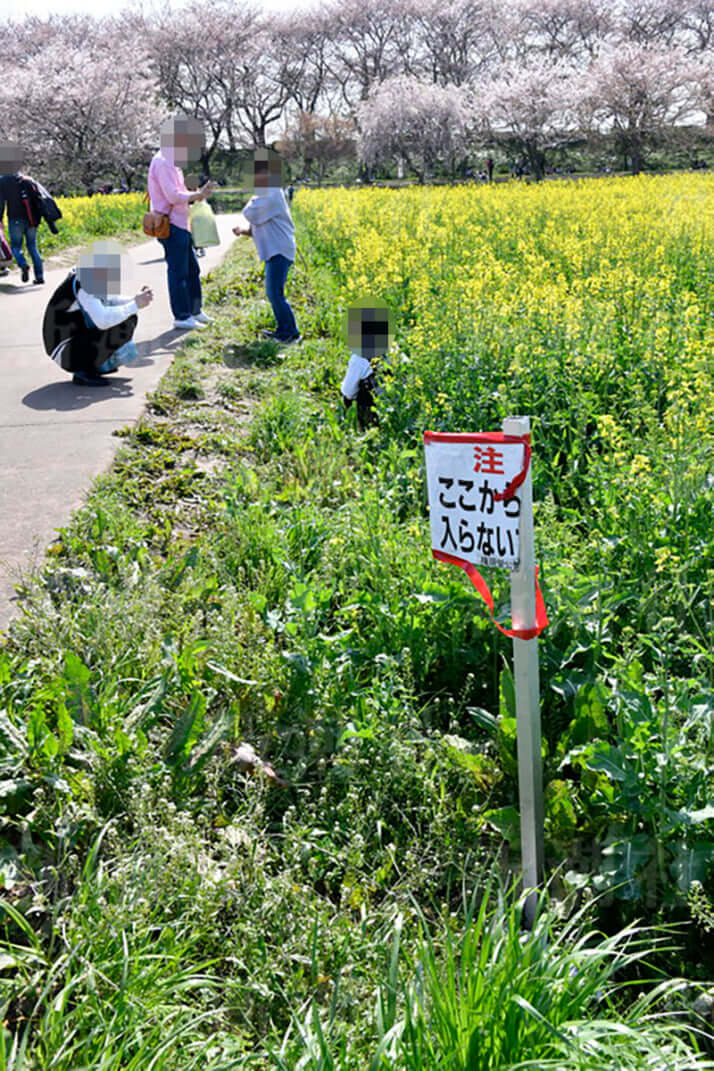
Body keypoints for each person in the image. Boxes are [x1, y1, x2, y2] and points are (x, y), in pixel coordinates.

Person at [42, 240, 153, 387]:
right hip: (66, 353)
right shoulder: (86, 285)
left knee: (128, 316)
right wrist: (135, 304)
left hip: (70, 343)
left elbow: (110, 301)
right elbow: (103, 320)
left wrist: (136, 300)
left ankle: (92, 366)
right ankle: (84, 371)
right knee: (124, 323)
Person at [147, 116, 214, 330]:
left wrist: (197, 195)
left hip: (181, 223)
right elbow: (173, 196)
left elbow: (179, 193)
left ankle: (195, 311)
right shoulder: (164, 161)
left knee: (192, 270)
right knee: (179, 272)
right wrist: (198, 195)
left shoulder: (172, 161)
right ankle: (182, 316)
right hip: (171, 224)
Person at [232, 148, 300, 344]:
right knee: (274, 292)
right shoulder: (266, 193)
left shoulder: (270, 192)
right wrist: (243, 231)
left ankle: (291, 333)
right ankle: (283, 330)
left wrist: (251, 201)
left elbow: (249, 213)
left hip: (279, 250)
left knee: (274, 292)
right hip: (276, 250)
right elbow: (257, 224)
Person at [340, 301, 393, 428]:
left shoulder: (359, 357)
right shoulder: (393, 350)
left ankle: (359, 425)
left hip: (372, 412)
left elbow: (348, 391)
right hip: (395, 408)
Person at [0, 141, 45, 285]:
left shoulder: (3, 181)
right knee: (33, 247)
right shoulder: (26, 179)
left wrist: (0, 219)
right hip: (32, 219)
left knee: (15, 247)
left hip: (15, 219)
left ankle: (23, 264)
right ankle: (40, 277)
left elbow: (1, 202)